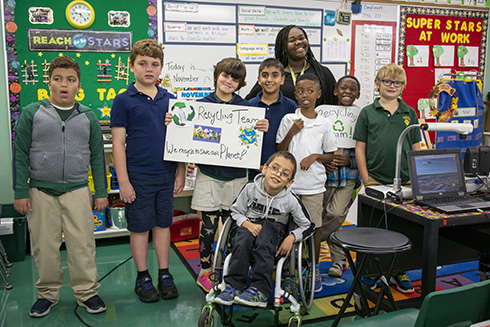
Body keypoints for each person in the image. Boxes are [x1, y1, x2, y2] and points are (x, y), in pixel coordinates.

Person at [13, 56, 108, 317]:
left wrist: (100, 191)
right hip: (41, 192)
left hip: (77, 190)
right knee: (44, 246)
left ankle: (87, 292)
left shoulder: (88, 116)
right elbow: (20, 154)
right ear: (49, 82)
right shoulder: (33, 113)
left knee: (83, 245)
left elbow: (98, 157)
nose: (63, 84)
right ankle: (47, 294)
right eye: (58, 79)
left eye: (70, 79)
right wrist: (20, 192)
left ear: (79, 85)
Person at [111, 39, 185, 303]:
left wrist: (180, 172)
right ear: (132, 66)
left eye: (155, 64)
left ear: (161, 68)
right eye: (142, 63)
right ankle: (142, 277)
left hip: (165, 174)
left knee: (163, 225)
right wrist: (124, 181)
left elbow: (182, 140)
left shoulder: (172, 101)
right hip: (138, 176)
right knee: (140, 228)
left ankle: (164, 273)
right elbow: (118, 144)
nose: (149, 69)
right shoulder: (123, 101)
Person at [191, 57, 269, 292]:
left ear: (240, 84)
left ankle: (229, 269)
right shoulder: (200, 104)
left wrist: (261, 128)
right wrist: (176, 123)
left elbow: (249, 142)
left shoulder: (247, 108)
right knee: (208, 226)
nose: (229, 81)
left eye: (235, 79)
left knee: (233, 227)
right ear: (217, 75)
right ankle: (205, 271)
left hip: (237, 177)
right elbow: (189, 133)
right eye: (225, 75)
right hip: (208, 175)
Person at [214, 151, 314, 307]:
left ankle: (260, 289)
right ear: (264, 169)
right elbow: (234, 212)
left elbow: (308, 225)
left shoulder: (290, 200)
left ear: (289, 182)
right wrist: (247, 223)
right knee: (243, 237)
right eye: (275, 168)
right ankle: (234, 285)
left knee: (267, 229)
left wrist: (292, 237)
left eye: (284, 173)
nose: (278, 174)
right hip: (249, 228)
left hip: (273, 238)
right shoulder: (250, 189)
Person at [354, 63, 421, 293]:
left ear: (403, 86)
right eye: (387, 81)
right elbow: (360, 148)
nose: (392, 86)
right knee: (374, 229)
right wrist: (366, 178)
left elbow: (416, 146)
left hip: (405, 181)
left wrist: (417, 176)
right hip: (376, 181)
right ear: (377, 84)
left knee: (402, 228)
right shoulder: (367, 112)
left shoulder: (409, 112)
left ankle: (397, 269)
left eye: (397, 83)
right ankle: (372, 271)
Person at [276, 74, 337, 293]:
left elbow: (331, 155)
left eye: (310, 91)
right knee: (287, 227)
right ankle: (288, 269)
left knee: (314, 227)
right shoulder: (288, 120)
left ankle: (313, 267)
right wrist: (292, 132)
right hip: (289, 186)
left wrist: (315, 157)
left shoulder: (324, 124)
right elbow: (279, 151)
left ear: (318, 94)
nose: (305, 95)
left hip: (313, 186)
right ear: (295, 94)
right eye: (301, 91)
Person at [321, 75, 362, 278]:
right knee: (325, 215)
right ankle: (339, 260)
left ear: (358, 94)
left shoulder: (361, 117)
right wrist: (324, 160)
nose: (347, 92)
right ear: (336, 91)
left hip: (349, 176)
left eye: (352, 89)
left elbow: (366, 149)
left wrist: (350, 161)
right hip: (325, 176)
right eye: (343, 88)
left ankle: (312, 239)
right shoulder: (323, 115)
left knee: (336, 214)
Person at [246, 25, 337, 106]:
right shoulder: (275, 74)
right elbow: (250, 102)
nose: (298, 42)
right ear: (283, 47)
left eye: (302, 38)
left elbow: (335, 103)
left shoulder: (322, 73)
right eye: (292, 40)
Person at [247, 58, 297, 180]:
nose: (269, 79)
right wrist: (253, 164)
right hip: (254, 170)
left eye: (275, 75)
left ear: (282, 79)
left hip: (281, 173)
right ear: (259, 80)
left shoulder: (291, 106)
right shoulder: (249, 106)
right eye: (265, 75)